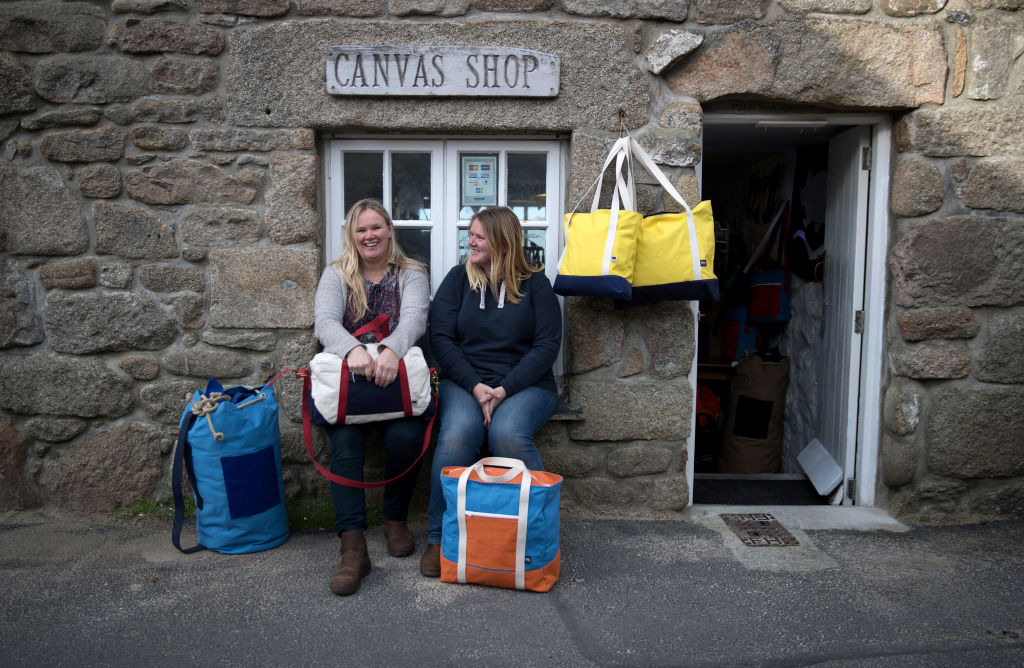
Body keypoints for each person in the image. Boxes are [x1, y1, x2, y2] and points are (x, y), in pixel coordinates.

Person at [420, 205, 562, 577]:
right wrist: (476, 386)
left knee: (508, 434)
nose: (471, 241)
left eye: (479, 236)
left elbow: (547, 347)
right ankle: (439, 538)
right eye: (471, 233)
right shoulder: (457, 280)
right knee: (456, 435)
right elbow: (441, 339)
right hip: (465, 382)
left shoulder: (537, 286)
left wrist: (503, 389)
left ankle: (535, 534)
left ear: (502, 241)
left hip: (526, 385)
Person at [313, 199, 430, 596]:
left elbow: (415, 319)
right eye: (361, 230)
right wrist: (354, 350)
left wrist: (391, 351)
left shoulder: (411, 274)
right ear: (352, 235)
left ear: (389, 230)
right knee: (344, 447)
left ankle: (395, 519)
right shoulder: (337, 275)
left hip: (394, 382)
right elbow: (325, 322)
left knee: (408, 439)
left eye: (376, 227)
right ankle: (353, 547)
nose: (369, 236)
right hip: (350, 384)